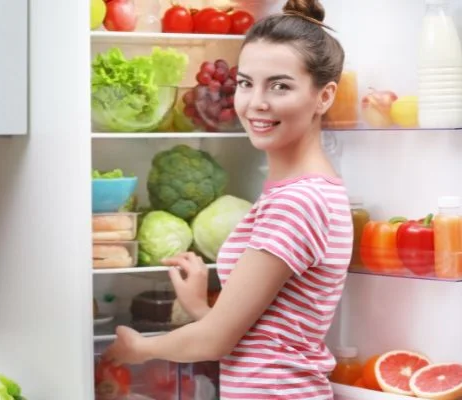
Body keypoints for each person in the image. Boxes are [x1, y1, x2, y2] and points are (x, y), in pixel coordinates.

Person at [102, 0, 352, 398]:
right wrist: (201, 308)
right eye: (246, 83)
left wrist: (139, 349)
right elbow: (269, 337)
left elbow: (215, 343)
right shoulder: (300, 192)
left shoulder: (298, 203)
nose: (255, 103)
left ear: (324, 97)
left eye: (280, 85)